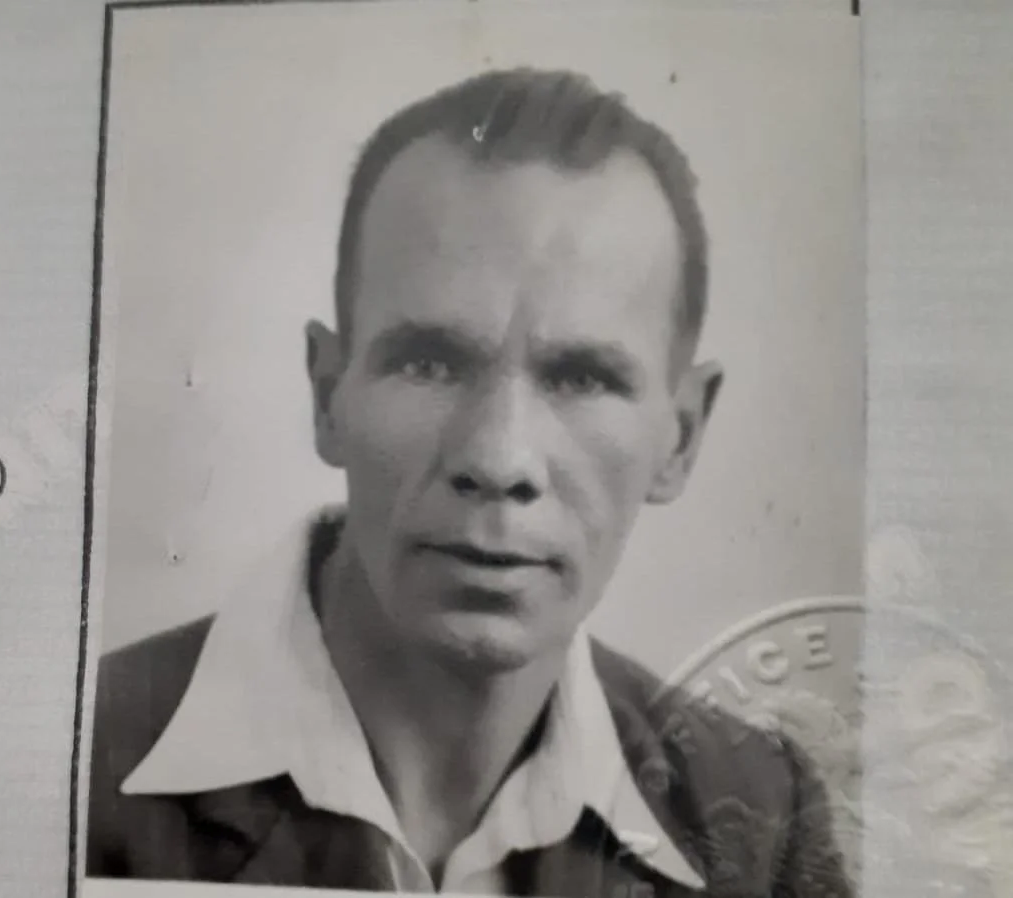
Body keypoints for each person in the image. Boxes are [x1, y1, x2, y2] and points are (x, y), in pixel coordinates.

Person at [86, 68, 852, 896]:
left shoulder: (759, 821)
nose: (498, 458)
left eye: (584, 377)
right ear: (326, 395)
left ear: (682, 437)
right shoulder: (75, 754)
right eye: (429, 362)